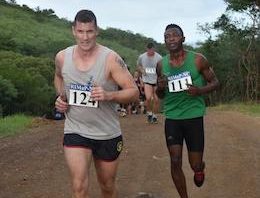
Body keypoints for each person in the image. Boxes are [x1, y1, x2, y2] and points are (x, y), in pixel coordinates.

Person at [54, 9, 139, 198]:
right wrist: (62, 98)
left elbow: (134, 92)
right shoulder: (62, 57)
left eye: (90, 31)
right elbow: (59, 77)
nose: (85, 37)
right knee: (79, 187)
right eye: (81, 32)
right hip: (75, 129)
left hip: (106, 132)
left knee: (107, 186)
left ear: (97, 31)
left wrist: (109, 95)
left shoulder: (110, 59)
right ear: (73, 31)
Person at [156, 24, 219, 198]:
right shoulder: (161, 65)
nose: (171, 39)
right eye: (167, 36)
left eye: (175, 35)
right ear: (165, 41)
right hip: (173, 117)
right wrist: (160, 88)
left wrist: (199, 91)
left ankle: (200, 169)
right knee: (175, 160)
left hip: (193, 116)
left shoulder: (198, 60)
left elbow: (215, 83)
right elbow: (160, 94)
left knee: (195, 164)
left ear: (183, 39)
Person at [137, 42, 162, 123]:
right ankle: (149, 113)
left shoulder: (159, 58)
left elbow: (162, 68)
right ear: (147, 49)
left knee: (156, 99)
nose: (150, 52)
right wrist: (142, 70)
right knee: (148, 98)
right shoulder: (142, 57)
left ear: (154, 49)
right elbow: (139, 65)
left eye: (152, 50)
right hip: (147, 80)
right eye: (149, 50)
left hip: (156, 80)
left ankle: (154, 116)